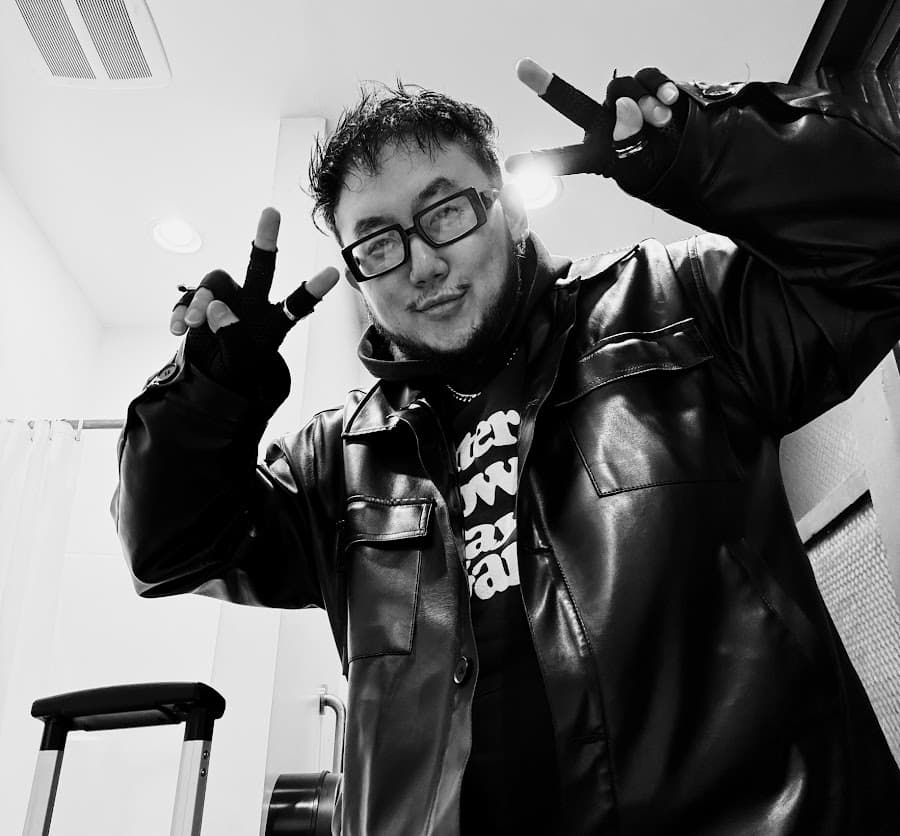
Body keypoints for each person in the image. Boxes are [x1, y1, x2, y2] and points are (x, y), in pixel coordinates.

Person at [112, 58, 900, 835]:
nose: (423, 263)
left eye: (445, 211)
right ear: (357, 278)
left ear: (511, 212)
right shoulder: (339, 463)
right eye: (378, 244)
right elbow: (168, 550)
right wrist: (208, 395)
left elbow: (881, 256)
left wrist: (706, 150)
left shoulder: (673, 309)